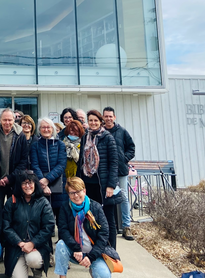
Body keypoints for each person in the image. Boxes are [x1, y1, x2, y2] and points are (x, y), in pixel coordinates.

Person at [52, 177, 120, 278]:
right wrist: (76, 248)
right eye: (72, 193)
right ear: (68, 194)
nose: (76, 196)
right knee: (61, 245)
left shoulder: (96, 207)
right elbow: (63, 231)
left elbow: (104, 234)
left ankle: (93, 272)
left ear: (84, 191)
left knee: (104, 277)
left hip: (93, 252)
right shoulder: (65, 208)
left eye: (78, 191)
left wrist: (91, 257)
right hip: (74, 251)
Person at [2, 171, 55, 278]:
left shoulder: (43, 202)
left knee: (33, 260)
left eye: (30, 183)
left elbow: (49, 227)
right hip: (16, 247)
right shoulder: (12, 201)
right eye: (24, 183)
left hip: (37, 247)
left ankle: (37, 269)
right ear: (19, 186)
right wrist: (19, 243)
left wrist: (33, 243)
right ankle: (21, 264)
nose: (27, 186)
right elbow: (6, 227)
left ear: (35, 184)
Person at [76, 110, 120, 249]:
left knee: (108, 219)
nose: (93, 123)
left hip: (104, 185)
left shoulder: (107, 137)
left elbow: (114, 162)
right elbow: (81, 161)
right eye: (90, 120)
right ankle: (93, 247)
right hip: (88, 184)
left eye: (95, 120)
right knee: (90, 218)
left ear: (100, 121)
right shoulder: (85, 137)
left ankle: (110, 250)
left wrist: (111, 185)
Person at [102, 106, 136, 241]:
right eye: (106, 116)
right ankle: (108, 227)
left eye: (111, 116)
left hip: (120, 170)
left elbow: (131, 148)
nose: (108, 118)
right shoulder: (101, 132)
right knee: (106, 197)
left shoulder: (122, 131)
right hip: (106, 170)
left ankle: (126, 226)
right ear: (103, 118)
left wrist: (123, 159)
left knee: (123, 198)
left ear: (114, 117)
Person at [0, 108, 29, 202]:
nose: (7, 122)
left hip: (14, 181)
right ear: (0, 120)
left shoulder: (21, 136)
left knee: (14, 211)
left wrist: (10, 178)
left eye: (9, 120)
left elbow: (24, 161)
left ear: (14, 120)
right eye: (4, 120)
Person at [30, 118, 67, 219]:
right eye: (43, 127)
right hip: (41, 186)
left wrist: (47, 179)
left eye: (48, 127)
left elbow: (61, 165)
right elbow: (34, 165)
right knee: (44, 219)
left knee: (61, 218)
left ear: (53, 129)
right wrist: (42, 183)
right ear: (39, 129)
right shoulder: (35, 146)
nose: (46, 129)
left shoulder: (60, 145)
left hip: (59, 185)